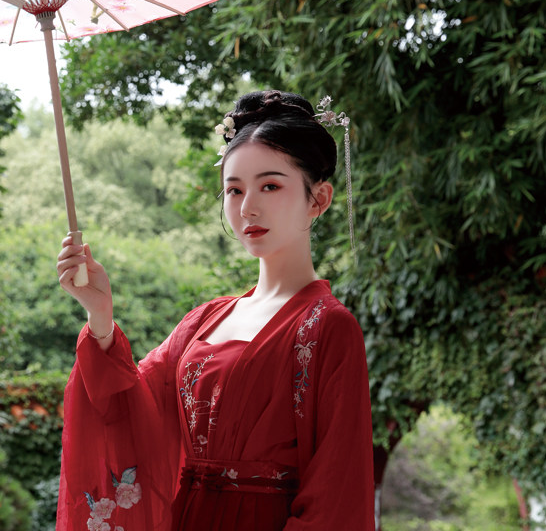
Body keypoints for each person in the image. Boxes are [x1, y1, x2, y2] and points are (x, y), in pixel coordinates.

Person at [55, 90, 375, 530]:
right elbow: (132, 410)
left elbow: (336, 494)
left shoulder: (328, 326)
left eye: (270, 185)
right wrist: (101, 316)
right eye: (234, 189)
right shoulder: (204, 321)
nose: (247, 207)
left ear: (318, 198)